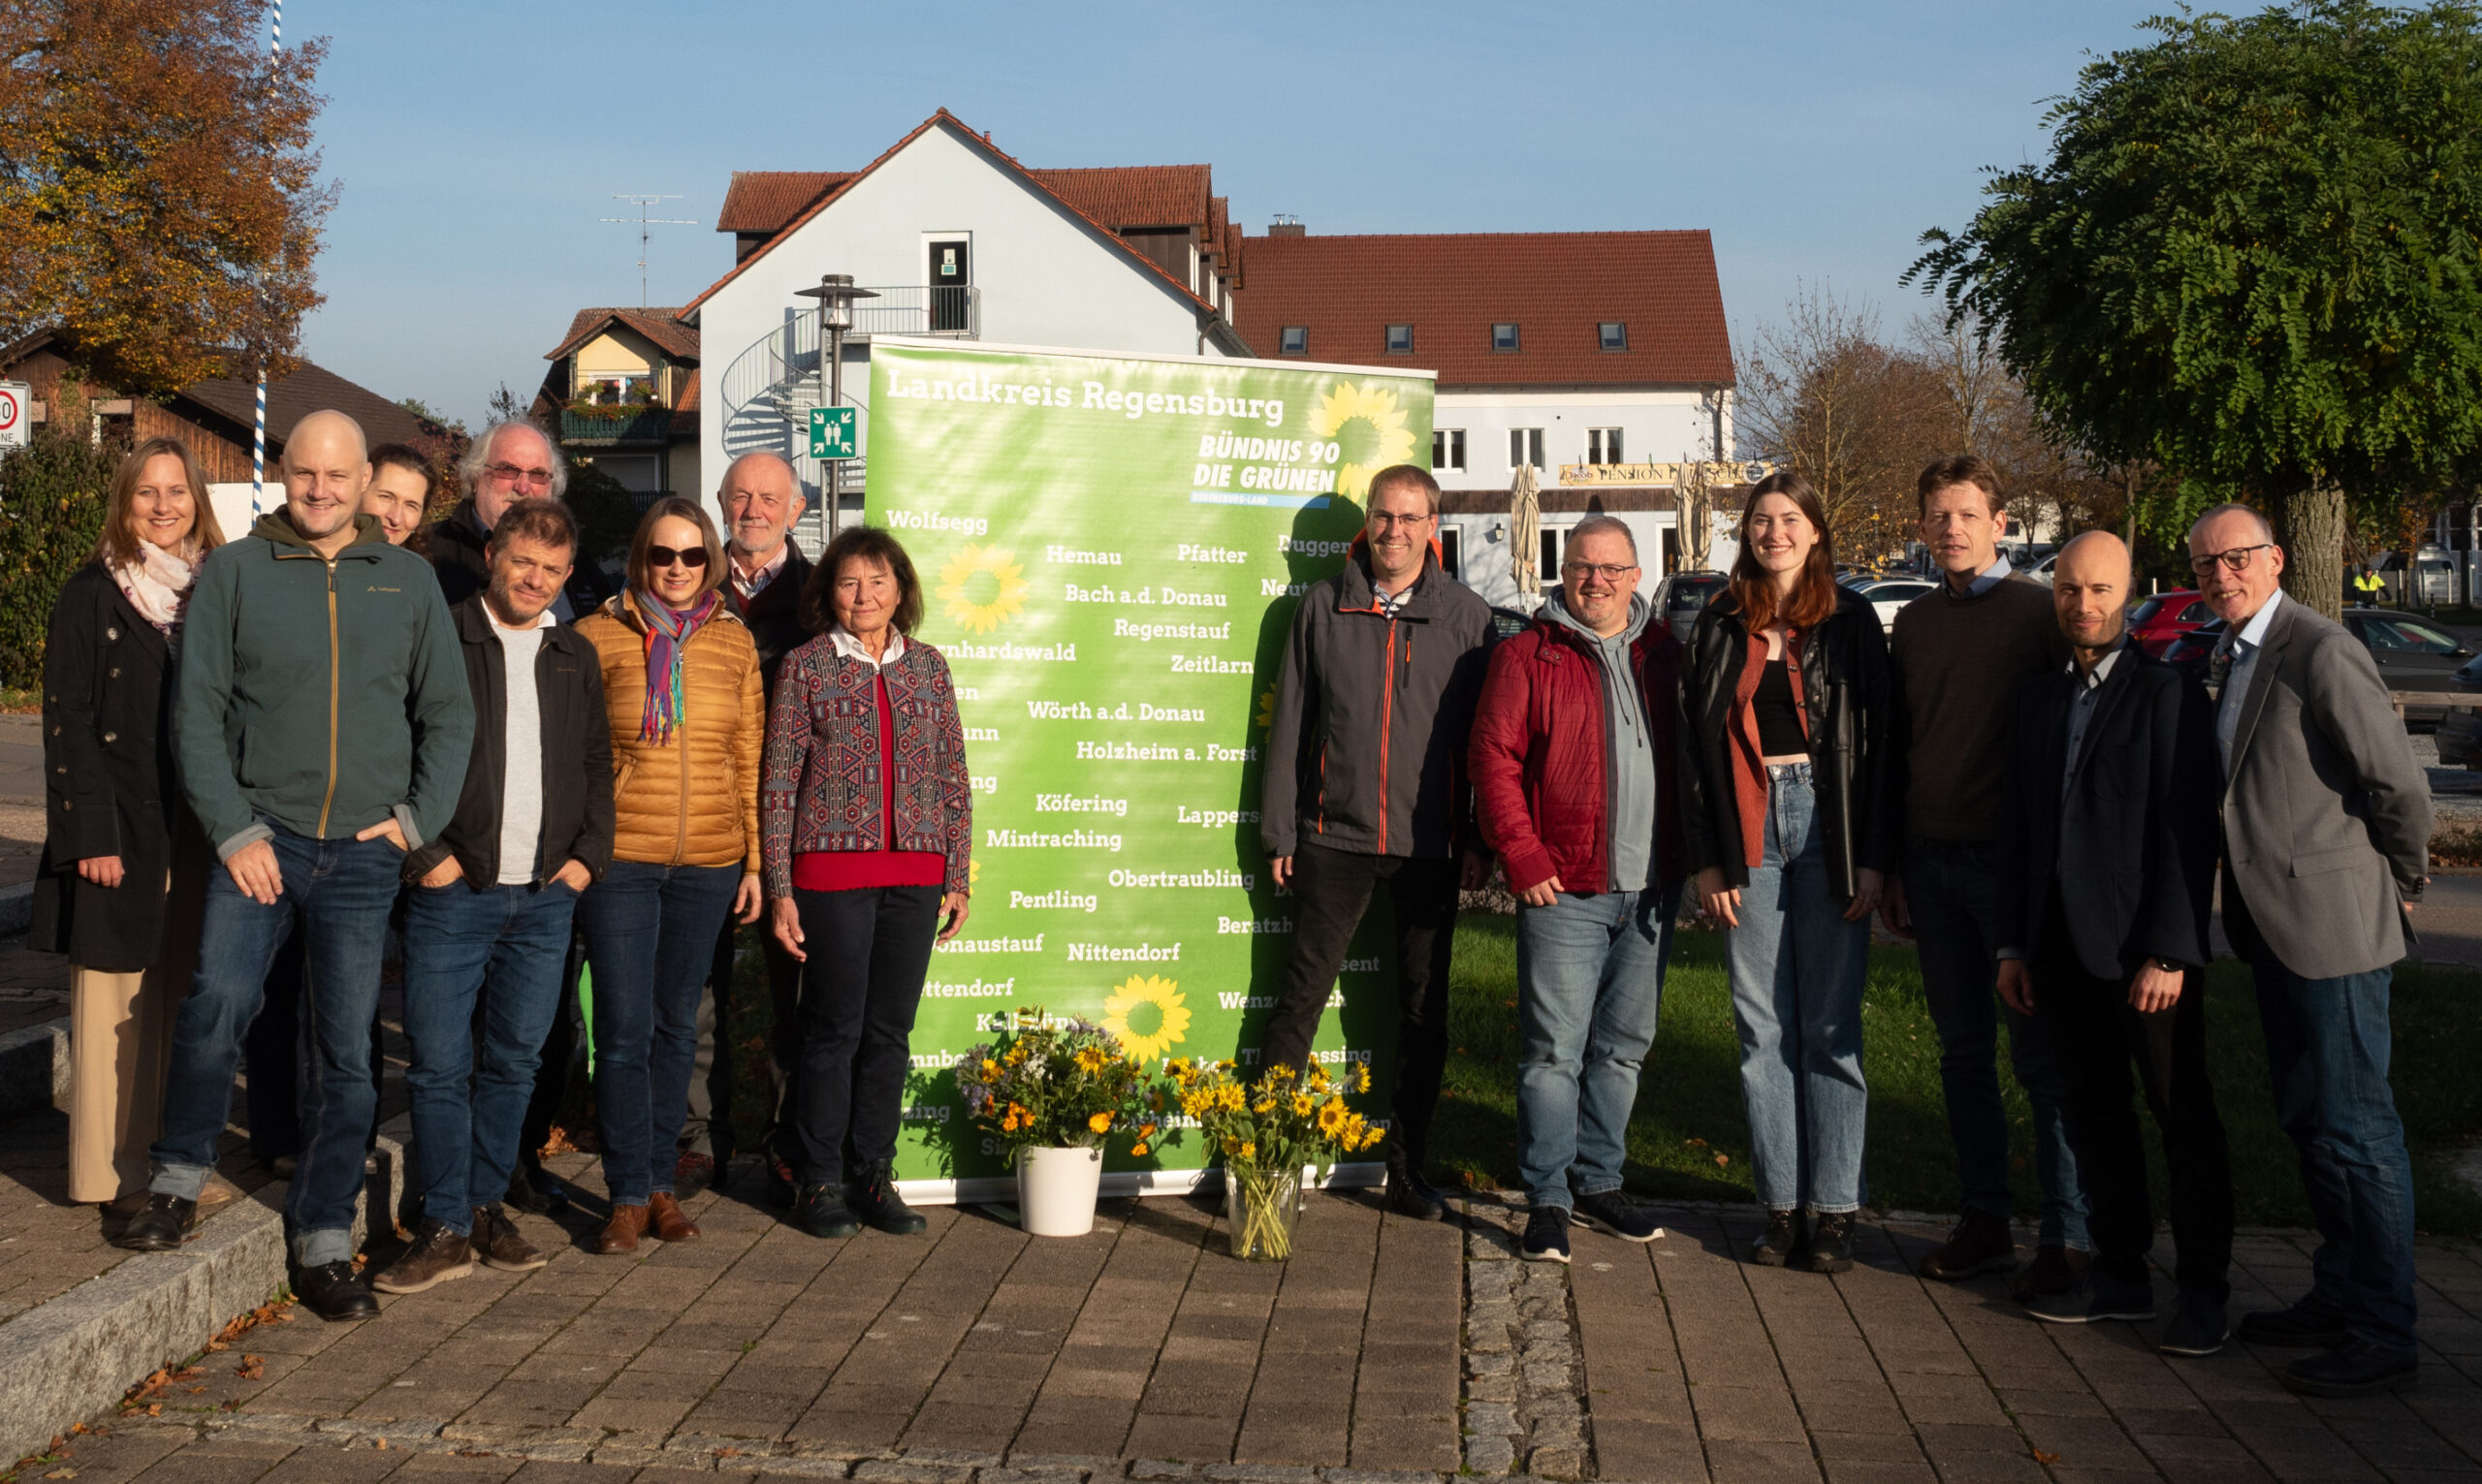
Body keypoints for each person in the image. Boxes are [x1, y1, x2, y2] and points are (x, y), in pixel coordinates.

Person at [120, 410, 473, 1326]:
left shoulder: (407, 580)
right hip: (261, 839)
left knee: (345, 1051)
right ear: (282, 472)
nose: (321, 490)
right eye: (304, 472)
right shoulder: (235, 570)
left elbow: (448, 715)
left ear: (365, 482)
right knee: (218, 1004)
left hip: (362, 853)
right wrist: (234, 832)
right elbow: (194, 713)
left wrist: (412, 823)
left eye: (338, 475)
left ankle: (323, 1236)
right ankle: (176, 1177)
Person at [2189, 504, 2431, 1397]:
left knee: (2361, 1130)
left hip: (2337, 927)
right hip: (2272, 927)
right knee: (2312, 1122)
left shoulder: (2319, 648)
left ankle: (2385, 1326)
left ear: (2276, 558)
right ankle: (2339, 1295)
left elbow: (2397, 785)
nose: (2222, 574)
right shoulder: (2233, 652)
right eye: (2207, 564)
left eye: (2238, 557)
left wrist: (2401, 880)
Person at [1992, 531, 2232, 1355]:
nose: (2083, 606)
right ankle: (2123, 1273)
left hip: (2146, 957)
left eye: (2099, 591)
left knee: (2182, 1118)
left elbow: (2185, 830)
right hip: (2060, 949)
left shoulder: (2167, 696)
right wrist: (2013, 947)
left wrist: (2171, 951)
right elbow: (2022, 832)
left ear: (2129, 594)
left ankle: (2204, 1290)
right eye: (2068, 590)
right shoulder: (2036, 699)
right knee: (2098, 1116)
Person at [372, 499, 614, 1294]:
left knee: (511, 1062)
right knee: (440, 1065)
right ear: (492, 555)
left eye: (550, 569)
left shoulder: (572, 653)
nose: (533, 579)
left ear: (566, 576)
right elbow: (394, 749)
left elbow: (592, 761)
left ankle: (480, 1206)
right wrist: (428, 855)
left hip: (543, 899)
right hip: (454, 890)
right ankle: (443, 1220)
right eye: (521, 561)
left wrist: (587, 859)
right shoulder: (438, 632)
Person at [1257, 463, 1493, 1220]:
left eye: (1410, 517)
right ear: (1369, 521)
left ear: (1434, 526)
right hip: (1334, 835)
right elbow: (1290, 723)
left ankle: (1408, 1169)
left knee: (1424, 1012)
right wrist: (1282, 827)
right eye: (1383, 516)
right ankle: (1267, 1162)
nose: (1394, 531)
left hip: (1430, 844)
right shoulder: (1323, 606)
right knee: (1300, 1000)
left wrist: (1479, 836)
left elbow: (1487, 740)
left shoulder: (1469, 616)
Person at [1882, 456, 2090, 1298]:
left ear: (2000, 522)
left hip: (2014, 871)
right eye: (1938, 514)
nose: (1952, 528)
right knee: (1961, 1053)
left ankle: (2069, 1233)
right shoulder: (1919, 622)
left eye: (1967, 514)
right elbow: (1903, 747)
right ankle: (1986, 1219)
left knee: (2041, 1057)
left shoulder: (2042, 615)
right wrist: (1894, 860)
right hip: (1930, 864)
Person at [1678, 473, 1892, 1274]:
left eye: (1789, 519)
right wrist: (1710, 858)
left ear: (1816, 531)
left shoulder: (1854, 620)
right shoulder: (1721, 622)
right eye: (1761, 520)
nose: (1774, 532)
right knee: (1761, 1024)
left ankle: (1835, 1209)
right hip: (1749, 823)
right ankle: (1781, 1206)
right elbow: (1694, 750)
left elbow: (1880, 748)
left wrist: (1872, 855)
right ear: (1747, 533)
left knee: (1831, 1025)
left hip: (1830, 826)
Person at [1471, 515, 1685, 1263]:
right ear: (1566, 572)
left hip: (1649, 889)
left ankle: (1600, 1181)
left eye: (1610, 568)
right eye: (1581, 566)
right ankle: (1550, 1198)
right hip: (1563, 888)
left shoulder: (1665, 656)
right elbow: (1492, 757)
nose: (1594, 580)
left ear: (1636, 576)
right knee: (1553, 1051)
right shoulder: (1529, 653)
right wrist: (1521, 854)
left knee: (1623, 1048)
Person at [762, 526, 971, 1240]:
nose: (864, 596)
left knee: (890, 1032)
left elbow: (953, 777)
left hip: (916, 875)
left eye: (878, 582)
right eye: (849, 582)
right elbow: (779, 782)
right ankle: (818, 1178)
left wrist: (959, 873)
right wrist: (781, 886)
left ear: (901, 590)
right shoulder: (806, 667)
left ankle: (873, 1174)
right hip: (831, 876)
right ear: (830, 592)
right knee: (833, 1030)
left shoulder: (931, 669)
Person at [34, 438, 226, 1214]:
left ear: (196, 500)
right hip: (118, 826)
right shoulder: (93, 592)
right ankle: (107, 1175)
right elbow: (66, 721)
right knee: (111, 1002)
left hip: (191, 825)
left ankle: (156, 1159)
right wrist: (92, 835)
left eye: (176, 491)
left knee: (171, 994)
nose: (162, 506)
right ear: (124, 499)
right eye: (146, 492)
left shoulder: (210, 589)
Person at [573, 495, 765, 1254]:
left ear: (710, 560)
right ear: (640, 559)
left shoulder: (733, 644)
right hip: (621, 858)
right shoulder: (595, 637)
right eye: (663, 555)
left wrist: (754, 858)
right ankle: (624, 1192)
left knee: (674, 1026)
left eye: (692, 556)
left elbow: (747, 757)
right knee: (622, 1028)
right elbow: (576, 756)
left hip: (709, 862)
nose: (678, 569)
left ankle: (660, 1184)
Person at [688, 451, 816, 1204]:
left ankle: (787, 1142)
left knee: (794, 992)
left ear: (796, 509)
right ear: (720, 503)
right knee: (694, 991)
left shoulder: (820, 597)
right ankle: (697, 1141)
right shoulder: (688, 587)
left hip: (797, 825)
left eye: (770, 497)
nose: (754, 509)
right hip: (703, 815)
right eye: (741, 496)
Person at [424, 420, 613, 619]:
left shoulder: (579, 562)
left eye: (537, 474)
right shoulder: (427, 552)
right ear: (476, 477)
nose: (523, 487)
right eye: (507, 470)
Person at [362, 443, 436, 546]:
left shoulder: (417, 562)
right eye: (386, 497)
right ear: (360, 489)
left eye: (411, 505)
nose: (396, 519)